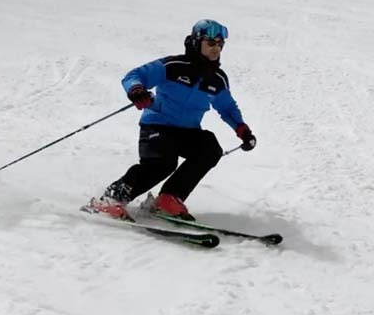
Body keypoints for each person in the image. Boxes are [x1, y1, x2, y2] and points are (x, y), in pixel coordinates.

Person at [87, 20, 257, 221]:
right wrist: (137, 90)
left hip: (188, 131)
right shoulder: (174, 66)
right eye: (211, 43)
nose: (216, 48)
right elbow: (134, 76)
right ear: (196, 42)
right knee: (162, 164)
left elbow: (227, 107)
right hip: (158, 126)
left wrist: (242, 129)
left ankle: (169, 199)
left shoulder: (217, 79)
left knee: (209, 148)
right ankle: (111, 199)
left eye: (220, 45)